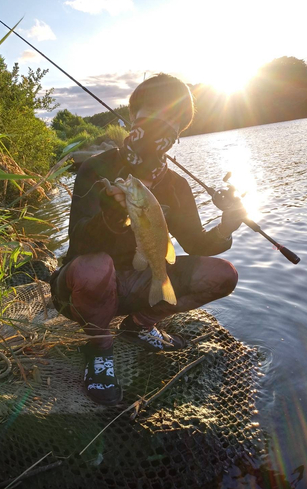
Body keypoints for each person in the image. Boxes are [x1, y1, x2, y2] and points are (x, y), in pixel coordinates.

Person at [50, 73, 246, 407]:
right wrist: (109, 218)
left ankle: (139, 325)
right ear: (133, 118)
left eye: (173, 120)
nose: (161, 124)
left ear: (179, 132)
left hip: (143, 279)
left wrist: (226, 226)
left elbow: (197, 245)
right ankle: (99, 350)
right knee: (96, 267)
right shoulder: (95, 167)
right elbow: (79, 243)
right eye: (151, 112)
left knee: (223, 274)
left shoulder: (177, 186)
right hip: (83, 289)